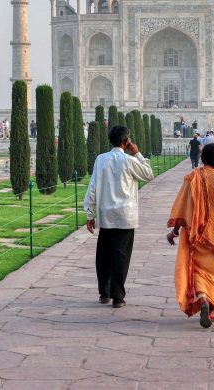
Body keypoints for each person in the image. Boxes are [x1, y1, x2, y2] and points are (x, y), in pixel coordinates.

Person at [166, 143, 214, 328]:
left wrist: (175, 230)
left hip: (196, 233)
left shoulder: (193, 178)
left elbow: (182, 206)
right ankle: (212, 307)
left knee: (198, 270)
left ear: (202, 158)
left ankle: (202, 299)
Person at [84, 125, 154, 308]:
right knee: (121, 256)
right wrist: (138, 153)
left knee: (104, 256)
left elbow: (92, 188)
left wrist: (90, 213)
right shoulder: (130, 160)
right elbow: (149, 174)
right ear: (127, 142)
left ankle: (104, 293)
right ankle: (118, 297)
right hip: (125, 216)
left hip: (106, 216)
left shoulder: (101, 159)